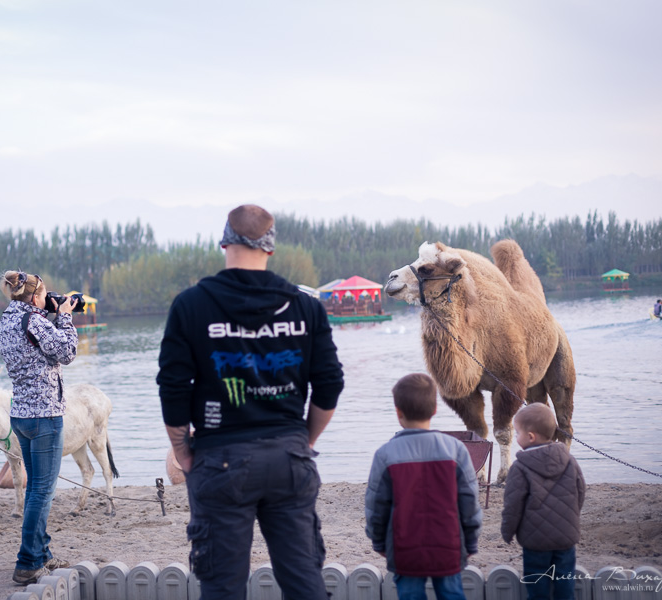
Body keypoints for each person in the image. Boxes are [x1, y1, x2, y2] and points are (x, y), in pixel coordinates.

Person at [157, 204, 345, 600]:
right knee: (305, 583)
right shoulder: (305, 307)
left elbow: (174, 388)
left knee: (223, 588)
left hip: (219, 456)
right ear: (270, 249)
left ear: (224, 241)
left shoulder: (191, 306)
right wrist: (303, 440)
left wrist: (182, 451)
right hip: (289, 457)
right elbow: (329, 385)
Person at [365, 373, 482, 600]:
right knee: (452, 594)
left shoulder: (385, 454)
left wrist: (378, 541)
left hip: (404, 547)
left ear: (398, 413)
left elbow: (375, 506)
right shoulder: (456, 450)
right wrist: (471, 541)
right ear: (435, 409)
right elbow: (470, 502)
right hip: (448, 545)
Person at [0, 270, 78, 585]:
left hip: (21, 415)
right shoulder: (34, 322)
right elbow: (67, 353)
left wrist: (52, 316)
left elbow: (39, 350)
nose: (48, 300)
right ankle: (28, 562)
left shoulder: (8, 320)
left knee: (35, 489)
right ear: (33, 297)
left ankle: (42, 553)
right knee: (43, 490)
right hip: (44, 416)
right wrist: (66, 317)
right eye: (43, 296)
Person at [501, 403, 587, 600]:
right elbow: (581, 491)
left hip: (535, 541)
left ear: (530, 436)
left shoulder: (520, 467)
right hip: (566, 536)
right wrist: (571, 516)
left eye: (517, 433)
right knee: (565, 582)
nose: (515, 437)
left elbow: (512, 505)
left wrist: (507, 531)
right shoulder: (569, 460)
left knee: (537, 583)